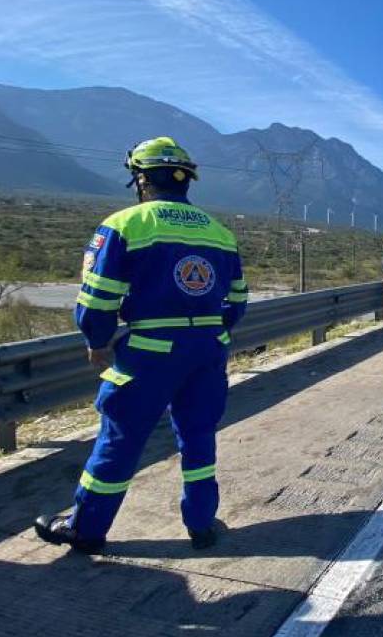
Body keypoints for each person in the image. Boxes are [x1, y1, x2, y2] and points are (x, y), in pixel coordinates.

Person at [34, 137, 247, 554]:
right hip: (207, 351)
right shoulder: (220, 233)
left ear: (141, 178)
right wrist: (206, 333)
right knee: (199, 436)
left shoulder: (124, 225)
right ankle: (202, 524)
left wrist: (97, 341)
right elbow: (236, 302)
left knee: (121, 438)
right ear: (186, 180)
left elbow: (97, 303)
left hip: (149, 352)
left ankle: (87, 528)